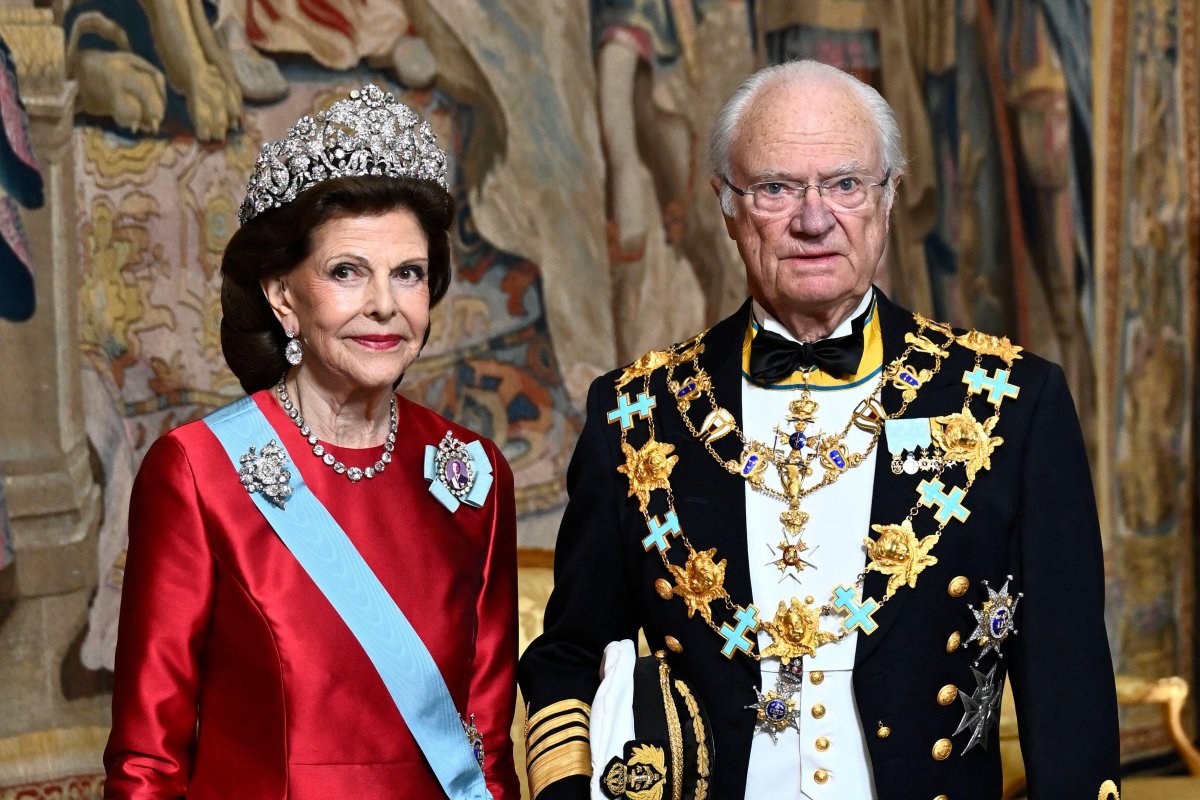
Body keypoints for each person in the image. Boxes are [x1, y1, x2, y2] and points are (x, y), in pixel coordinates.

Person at [518, 61, 1120, 800]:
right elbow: (571, 654)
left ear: (889, 197)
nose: (813, 218)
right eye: (775, 187)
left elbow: (1068, 688)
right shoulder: (636, 414)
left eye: (845, 184)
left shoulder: (1012, 402)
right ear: (727, 206)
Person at [104, 84, 520, 800]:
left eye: (409, 274)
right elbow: (148, 765)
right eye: (346, 272)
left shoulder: (472, 474)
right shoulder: (199, 473)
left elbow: (487, 754)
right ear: (283, 294)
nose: (385, 304)